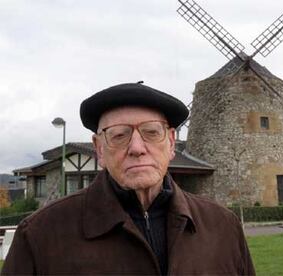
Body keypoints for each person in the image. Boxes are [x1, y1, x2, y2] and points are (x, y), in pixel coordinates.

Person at [2, 82, 255, 275]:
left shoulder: (223, 227)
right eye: (119, 135)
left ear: (170, 142)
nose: (136, 147)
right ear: (99, 148)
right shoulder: (40, 234)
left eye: (151, 132)